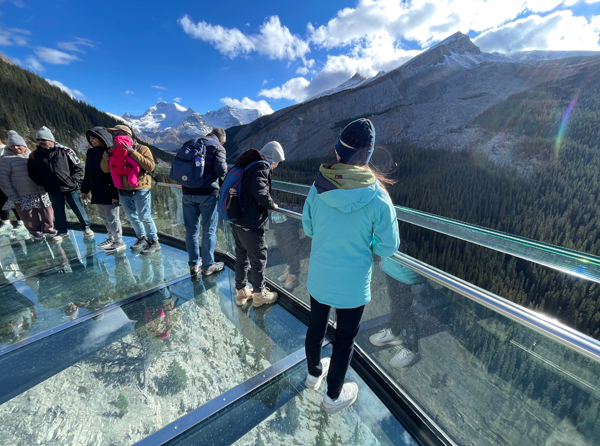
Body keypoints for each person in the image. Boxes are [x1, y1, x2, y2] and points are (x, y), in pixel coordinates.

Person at [302, 118, 399, 414]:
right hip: (353, 285)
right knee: (344, 341)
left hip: (319, 276)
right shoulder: (378, 196)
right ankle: (333, 397)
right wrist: (367, 245)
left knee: (315, 329)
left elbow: (308, 228)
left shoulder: (318, 188)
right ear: (367, 157)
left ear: (337, 152)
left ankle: (313, 375)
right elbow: (388, 246)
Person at [233, 141, 285, 308]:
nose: (276, 166)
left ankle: (241, 292)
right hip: (251, 222)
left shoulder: (247, 165)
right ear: (273, 157)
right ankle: (259, 294)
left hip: (237, 220)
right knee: (258, 258)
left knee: (241, 257)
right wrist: (271, 205)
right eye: (278, 162)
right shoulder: (262, 166)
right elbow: (259, 190)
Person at [27, 126, 93, 242]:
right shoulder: (34, 155)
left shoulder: (65, 150)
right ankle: (62, 231)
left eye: (43, 140)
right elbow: (32, 172)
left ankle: (86, 227)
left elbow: (77, 167)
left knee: (77, 207)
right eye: (38, 140)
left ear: (50, 140)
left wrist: (73, 179)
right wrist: (42, 182)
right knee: (58, 210)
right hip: (52, 188)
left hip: (70, 187)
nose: (40, 142)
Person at [101, 125, 160, 255]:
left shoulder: (142, 148)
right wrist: (107, 154)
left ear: (128, 134)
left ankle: (154, 241)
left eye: (118, 133)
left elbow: (150, 166)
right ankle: (141, 238)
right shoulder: (111, 151)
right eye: (114, 134)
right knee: (131, 217)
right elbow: (105, 169)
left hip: (141, 188)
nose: (115, 136)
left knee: (144, 216)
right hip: (123, 189)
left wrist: (132, 152)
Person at [181, 128, 227, 276]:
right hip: (208, 194)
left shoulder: (192, 143)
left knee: (191, 230)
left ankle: (193, 265)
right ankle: (207, 266)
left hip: (187, 192)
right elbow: (221, 171)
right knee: (208, 230)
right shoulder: (217, 147)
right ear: (222, 141)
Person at [0, 131, 56, 241]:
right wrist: (11, 194)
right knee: (28, 216)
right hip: (21, 192)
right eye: (12, 146)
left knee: (47, 211)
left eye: (18, 145)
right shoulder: (4, 159)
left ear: (24, 145)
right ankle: (35, 232)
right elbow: (3, 179)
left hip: (40, 190)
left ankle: (48, 228)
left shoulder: (33, 155)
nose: (16, 148)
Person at [81, 127, 125, 254]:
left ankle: (119, 240)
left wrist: (115, 194)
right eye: (90, 138)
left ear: (102, 139)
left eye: (94, 138)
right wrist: (85, 189)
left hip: (110, 188)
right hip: (97, 189)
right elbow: (88, 172)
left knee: (112, 216)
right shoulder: (91, 152)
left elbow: (116, 174)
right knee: (104, 216)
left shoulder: (111, 152)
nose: (91, 140)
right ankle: (111, 238)